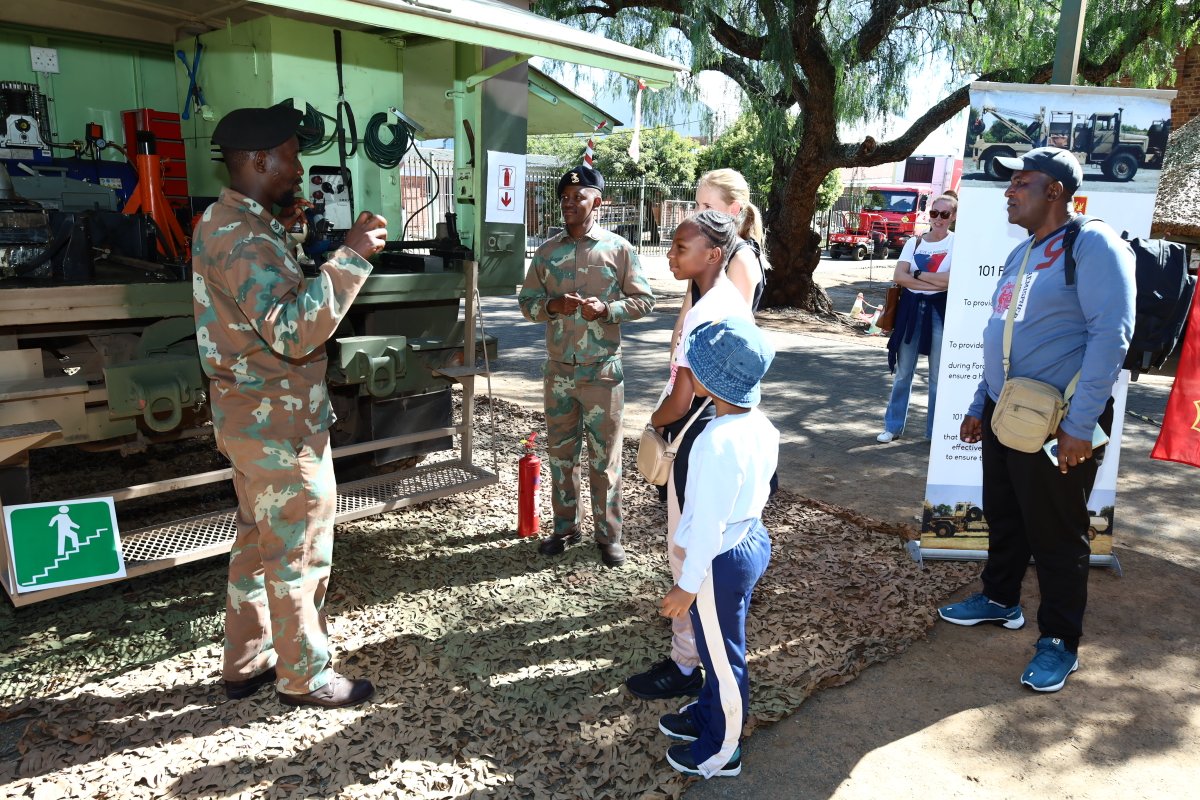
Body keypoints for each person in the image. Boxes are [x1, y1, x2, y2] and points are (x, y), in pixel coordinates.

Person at [193, 102, 387, 708]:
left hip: (255, 417)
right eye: (290, 154)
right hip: (276, 424)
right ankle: (304, 675)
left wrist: (293, 235)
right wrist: (352, 255)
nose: (298, 164)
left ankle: (247, 661)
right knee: (300, 544)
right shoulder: (241, 235)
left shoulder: (233, 224)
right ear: (257, 159)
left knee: (259, 543)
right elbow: (294, 330)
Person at [938, 147, 1135, 693]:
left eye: (1021, 182)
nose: (1009, 191)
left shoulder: (1092, 245)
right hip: (1009, 414)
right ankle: (1001, 600)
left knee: (1057, 534)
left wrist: (1080, 426)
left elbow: (1110, 337)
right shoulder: (1023, 253)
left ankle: (1059, 642)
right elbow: (1000, 337)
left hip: (1060, 421)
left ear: (1055, 191)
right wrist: (982, 403)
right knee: (1005, 514)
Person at [626, 211, 755, 701]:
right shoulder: (721, 299)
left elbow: (682, 398)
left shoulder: (709, 312)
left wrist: (651, 424)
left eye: (682, 247)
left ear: (714, 255)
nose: (671, 254)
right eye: (672, 244)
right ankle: (695, 650)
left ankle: (685, 664)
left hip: (695, 435)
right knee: (696, 543)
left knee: (685, 550)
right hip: (711, 429)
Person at [654, 316, 778, 778]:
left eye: (694, 365)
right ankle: (709, 713)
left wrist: (687, 586)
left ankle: (721, 751)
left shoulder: (717, 443)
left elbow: (707, 524)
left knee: (724, 659)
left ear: (708, 379)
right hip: (746, 539)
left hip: (718, 558)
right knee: (714, 648)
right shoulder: (757, 425)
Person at [518, 164, 655, 567]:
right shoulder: (547, 251)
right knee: (561, 455)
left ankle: (609, 535)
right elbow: (527, 303)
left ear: (598, 201)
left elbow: (643, 300)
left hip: (602, 374)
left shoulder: (618, 249)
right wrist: (551, 306)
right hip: (560, 372)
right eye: (565, 198)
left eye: (578, 197)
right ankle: (565, 528)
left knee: (605, 459)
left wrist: (608, 309)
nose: (570, 204)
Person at [876, 194, 957, 442]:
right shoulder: (915, 242)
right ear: (929, 214)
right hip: (911, 310)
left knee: (937, 376)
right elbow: (899, 276)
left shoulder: (957, 244)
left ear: (953, 217)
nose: (939, 219)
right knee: (903, 372)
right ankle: (893, 426)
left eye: (945, 214)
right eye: (935, 213)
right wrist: (935, 282)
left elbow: (953, 280)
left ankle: (934, 432)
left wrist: (919, 273)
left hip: (940, 312)